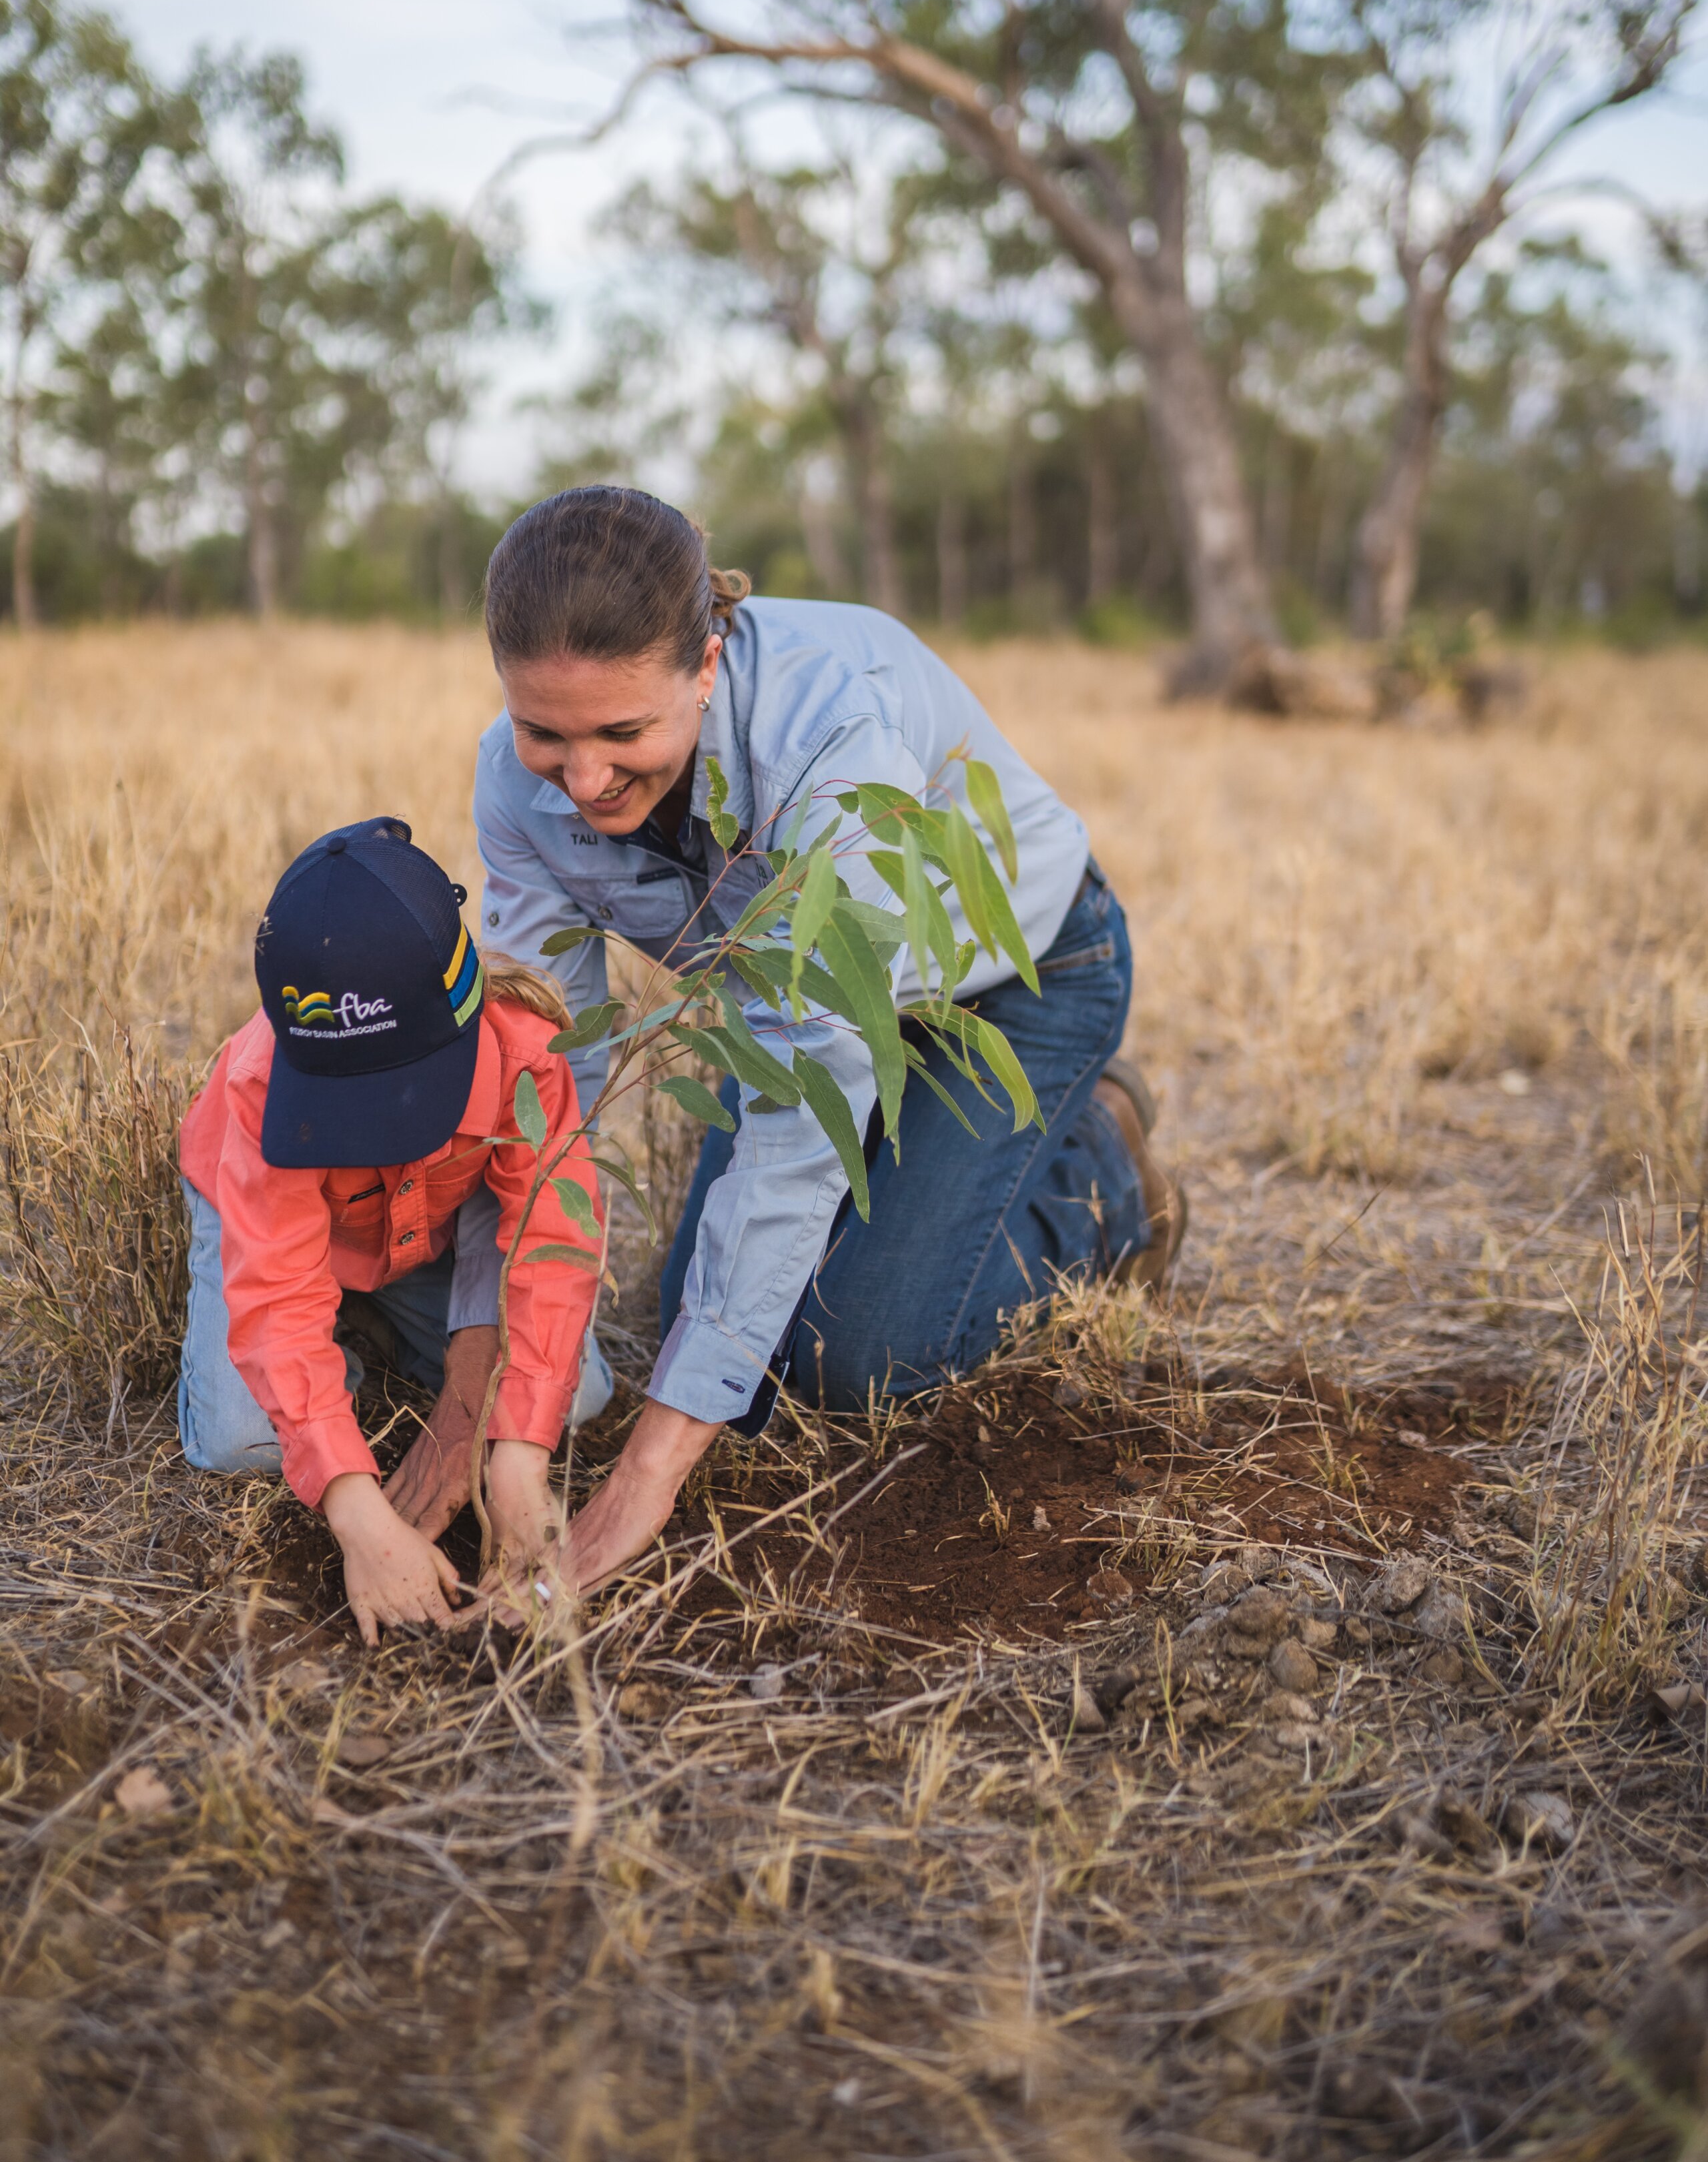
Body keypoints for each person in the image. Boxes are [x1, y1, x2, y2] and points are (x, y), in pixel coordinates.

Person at [474, 486, 1185, 1597]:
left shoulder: (826, 735)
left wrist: (646, 1478)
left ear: (706, 664)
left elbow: (805, 1107)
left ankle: (1100, 1170)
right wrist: (505, 1419)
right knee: (701, 1334)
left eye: (624, 733)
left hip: (1012, 987)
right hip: (798, 1018)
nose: (583, 780)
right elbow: (545, 1076)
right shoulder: (512, 792)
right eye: (542, 733)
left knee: (863, 1359)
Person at [176, 815, 608, 1642]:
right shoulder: (257, 1089)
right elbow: (272, 1290)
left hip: (425, 1233)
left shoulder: (526, 1053)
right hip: (282, 1237)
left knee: (573, 1395)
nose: (385, 1131)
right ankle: (343, 1330)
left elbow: (549, 1244)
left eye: (407, 1098)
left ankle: (374, 1326)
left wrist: (515, 1467)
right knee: (241, 1441)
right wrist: (359, 1516)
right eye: (354, 1108)